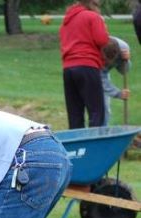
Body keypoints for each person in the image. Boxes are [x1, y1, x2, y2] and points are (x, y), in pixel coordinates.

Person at [59, 0, 110, 129]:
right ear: (92, 3)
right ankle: (95, 143)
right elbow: (102, 39)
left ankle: (78, 145)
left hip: (68, 68)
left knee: (75, 112)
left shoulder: (67, 20)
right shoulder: (92, 16)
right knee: (96, 111)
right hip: (87, 65)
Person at [101, 36, 131, 126]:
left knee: (105, 108)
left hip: (103, 72)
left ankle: (104, 132)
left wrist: (126, 60)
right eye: (107, 61)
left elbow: (124, 71)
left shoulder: (124, 48)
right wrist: (117, 93)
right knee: (98, 109)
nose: (109, 63)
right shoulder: (96, 48)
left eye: (111, 61)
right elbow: (100, 78)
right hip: (88, 70)